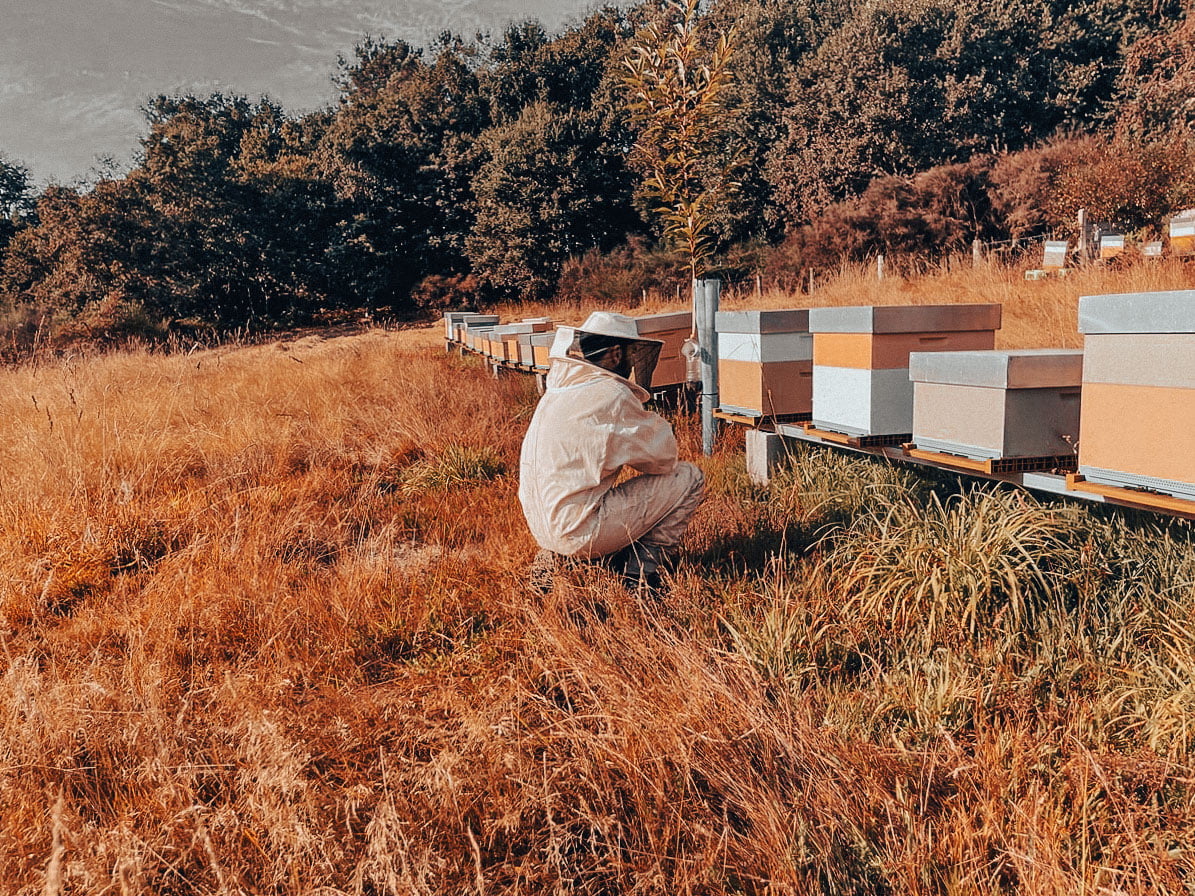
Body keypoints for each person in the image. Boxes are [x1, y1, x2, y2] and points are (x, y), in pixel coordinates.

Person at [518, 311, 705, 594]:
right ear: (616, 354)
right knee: (689, 477)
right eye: (631, 354)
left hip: (540, 530)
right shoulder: (611, 394)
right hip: (577, 533)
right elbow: (664, 460)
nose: (633, 362)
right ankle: (643, 573)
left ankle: (564, 556)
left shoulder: (558, 391)